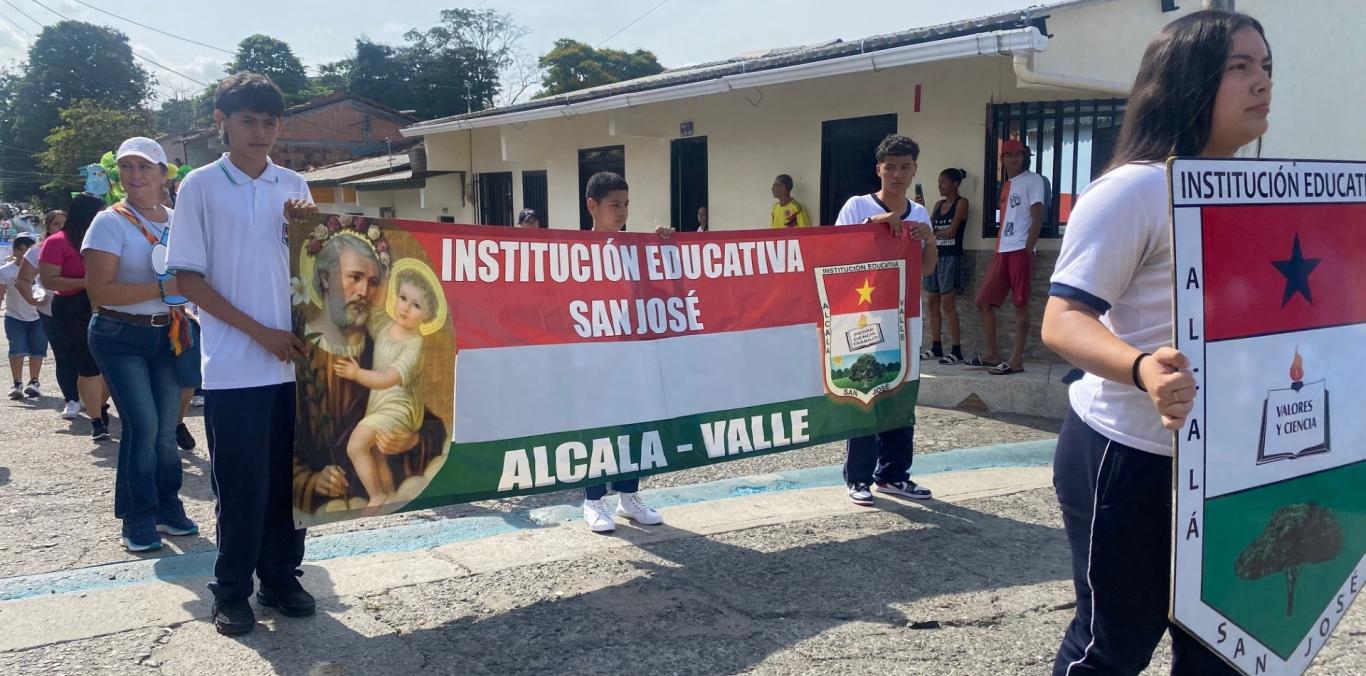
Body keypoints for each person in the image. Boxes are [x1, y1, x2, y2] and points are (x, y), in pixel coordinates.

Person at [1040, 10, 1271, 675]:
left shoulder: (1258, 193)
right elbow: (1063, 320)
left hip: (1232, 463)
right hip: (1131, 457)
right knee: (1112, 647)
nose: (1261, 83)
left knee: (1225, 646)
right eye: (1239, 67)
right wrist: (1142, 367)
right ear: (1187, 80)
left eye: (1267, 67)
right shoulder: (1136, 189)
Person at [166, 72, 317, 636]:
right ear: (221, 122)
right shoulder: (201, 186)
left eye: (270, 122)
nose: (260, 132)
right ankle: (231, 592)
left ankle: (282, 577)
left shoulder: (295, 184)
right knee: (243, 485)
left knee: (293, 482)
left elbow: (317, 270)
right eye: (248, 121)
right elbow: (187, 279)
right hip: (235, 367)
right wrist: (260, 333)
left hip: (297, 364)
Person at [83, 137, 199, 553]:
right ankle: (137, 517)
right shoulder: (108, 221)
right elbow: (100, 293)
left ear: (163, 173)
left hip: (168, 332)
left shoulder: (178, 220)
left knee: (167, 428)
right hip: (119, 335)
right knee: (143, 425)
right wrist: (164, 287)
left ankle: (168, 506)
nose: (135, 175)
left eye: (145, 167)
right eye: (128, 167)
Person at [295, 224, 447, 513]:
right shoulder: (300, 351)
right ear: (326, 278)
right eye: (354, 277)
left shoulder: (376, 344)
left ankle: (383, 494)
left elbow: (429, 422)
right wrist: (313, 480)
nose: (364, 291)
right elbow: (285, 440)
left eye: (374, 282)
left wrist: (412, 440)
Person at [832, 134, 938, 507]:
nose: (897, 174)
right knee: (863, 394)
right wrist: (874, 225)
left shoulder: (920, 213)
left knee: (899, 396)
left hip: (904, 320)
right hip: (860, 321)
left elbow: (925, 270)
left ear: (914, 170)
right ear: (878, 169)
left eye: (904, 167)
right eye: (889, 166)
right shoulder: (857, 206)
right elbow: (837, 258)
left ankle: (893, 475)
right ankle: (857, 477)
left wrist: (930, 241)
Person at [580, 171, 667, 533]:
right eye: (614, 205)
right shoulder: (572, 251)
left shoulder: (637, 247)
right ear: (592, 207)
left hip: (631, 352)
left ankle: (629, 496)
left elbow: (661, 289)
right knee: (598, 427)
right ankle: (592, 500)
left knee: (634, 424)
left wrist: (667, 249)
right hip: (594, 355)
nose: (622, 212)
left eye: (626, 205)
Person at [332, 261, 445, 515]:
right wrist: (383, 272)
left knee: (356, 446)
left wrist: (356, 373)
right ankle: (389, 495)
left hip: (399, 409)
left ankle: (376, 494)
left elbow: (389, 378)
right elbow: (374, 309)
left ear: (427, 315)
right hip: (380, 406)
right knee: (376, 452)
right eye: (403, 298)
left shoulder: (414, 344)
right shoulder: (387, 328)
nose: (405, 307)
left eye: (416, 305)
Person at [39, 193, 112, 440]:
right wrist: (88, 282)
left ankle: (101, 405)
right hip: (71, 306)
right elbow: (49, 280)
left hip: (106, 302)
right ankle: (96, 421)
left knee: (111, 363)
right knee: (87, 364)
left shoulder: (106, 239)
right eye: (100, 212)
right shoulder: (57, 242)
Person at [972, 139, 1045, 376]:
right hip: (1001, 250)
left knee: (1020, 304)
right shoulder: (1006, 185)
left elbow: (1037, 216)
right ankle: (992, 354)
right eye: (1008, 155)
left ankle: (1016, 360)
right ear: (1002, 159)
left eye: (1017, 154)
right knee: (983, 300)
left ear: (1024, 156)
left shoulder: (1033, 180)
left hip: (1019, 251)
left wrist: (1027, 249)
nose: (1013, 159)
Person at [23, 211, 81, 416]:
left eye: (65, 223)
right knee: (63, 354)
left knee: (84, 353)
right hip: (51, 309)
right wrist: (32, 299)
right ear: (48, 227)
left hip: (81, 306)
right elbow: (22, 279)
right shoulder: (38, 249)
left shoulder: (82, 244)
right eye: (56, 224)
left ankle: (90, 396)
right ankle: (72, 399)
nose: (61, 227)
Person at [922, 169, 970, 365]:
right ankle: (936, 346)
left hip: (951, 257)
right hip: (935, 256)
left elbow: (951, 232)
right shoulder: (938, 204)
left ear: (955, 184)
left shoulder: (962, 203)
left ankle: (956, 350)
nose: (940, 186)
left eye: (944, 182)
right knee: (932, 301)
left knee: (947, 304)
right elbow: (930, 228)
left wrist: (934, 233)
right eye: (939, 182)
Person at [1, 233, 45, 400]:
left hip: (39, 316)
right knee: (17, 350)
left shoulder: (42, 270)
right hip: (14, 317)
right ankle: (17, 383)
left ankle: (34, 382)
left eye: (28, 248)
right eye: (20, 249)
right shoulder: (5, 271)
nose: (23, 252)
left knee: (37, 350)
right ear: (14, 251)